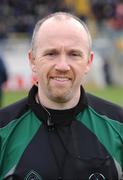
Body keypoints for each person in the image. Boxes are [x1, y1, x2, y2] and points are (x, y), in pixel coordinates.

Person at [0, 12, 123, 180]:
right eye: (51, 53)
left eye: (74, 54)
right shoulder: (3, 130)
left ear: (88, 61)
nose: (63, 66)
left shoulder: (119, 126)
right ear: (32, 60)